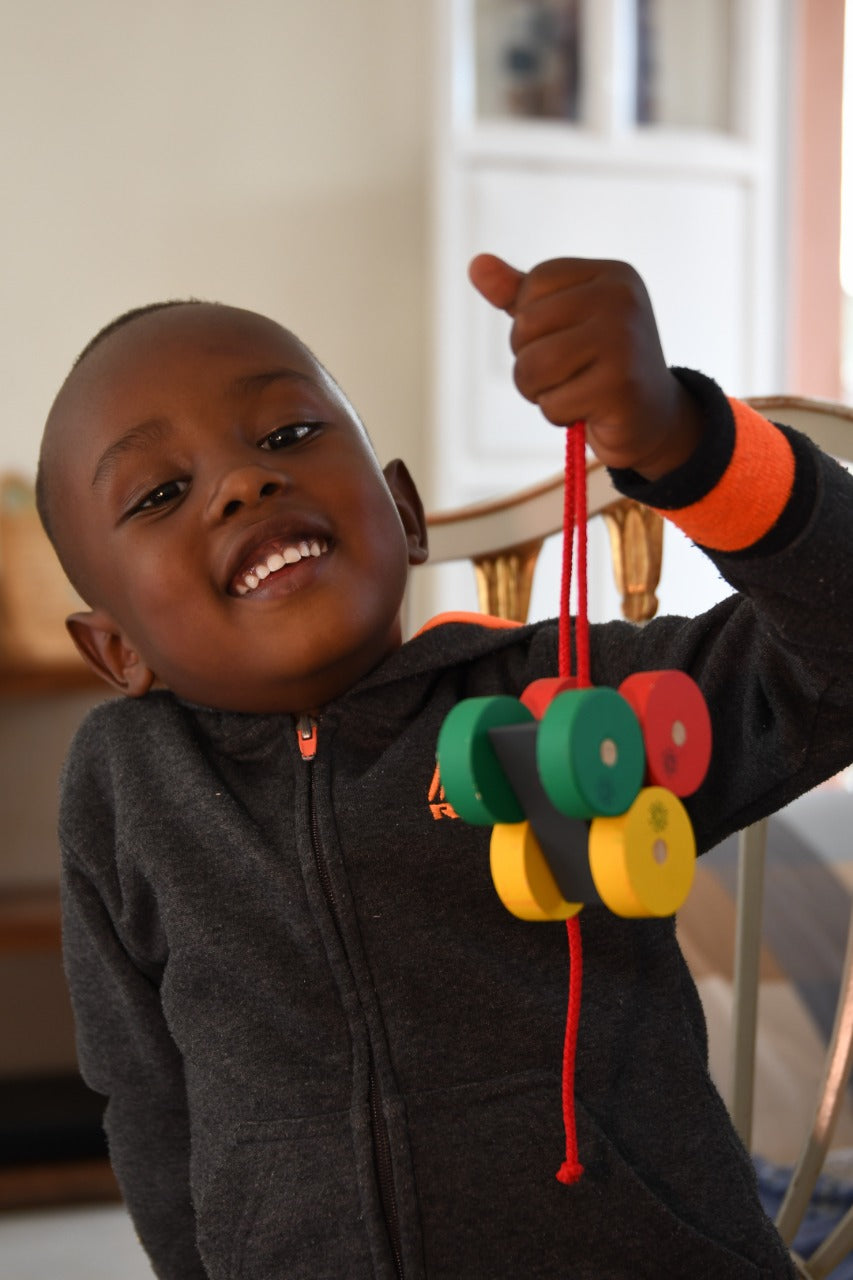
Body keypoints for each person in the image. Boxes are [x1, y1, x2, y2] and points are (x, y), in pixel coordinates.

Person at [36, 253, 852, 1279]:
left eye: (287, 433)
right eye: (159, 490)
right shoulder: (123, 787)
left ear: (404, 514)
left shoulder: (563, 699)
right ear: (116, 650)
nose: (246, 480)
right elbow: (147, 1096)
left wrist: (685, 444)